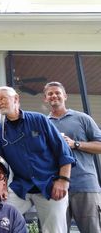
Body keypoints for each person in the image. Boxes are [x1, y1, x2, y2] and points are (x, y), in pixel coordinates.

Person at [0, 86, 76, 233]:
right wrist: (2, 187)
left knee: (54, 230)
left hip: (50, 185)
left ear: (16, 99)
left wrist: (63, 181)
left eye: (3, 99)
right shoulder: (0, 131)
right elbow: (1, 165)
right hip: (21, 187)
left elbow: (64, 152)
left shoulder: (39, 120)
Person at [44, 81, 101, 233]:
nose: (54, 96)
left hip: (85, 184)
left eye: (57, 93)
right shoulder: (43, 123)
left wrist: (75, 144)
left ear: (65, 96)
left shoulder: (82, 118)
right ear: (45, 99)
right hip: (55, 187)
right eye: (50, 94)